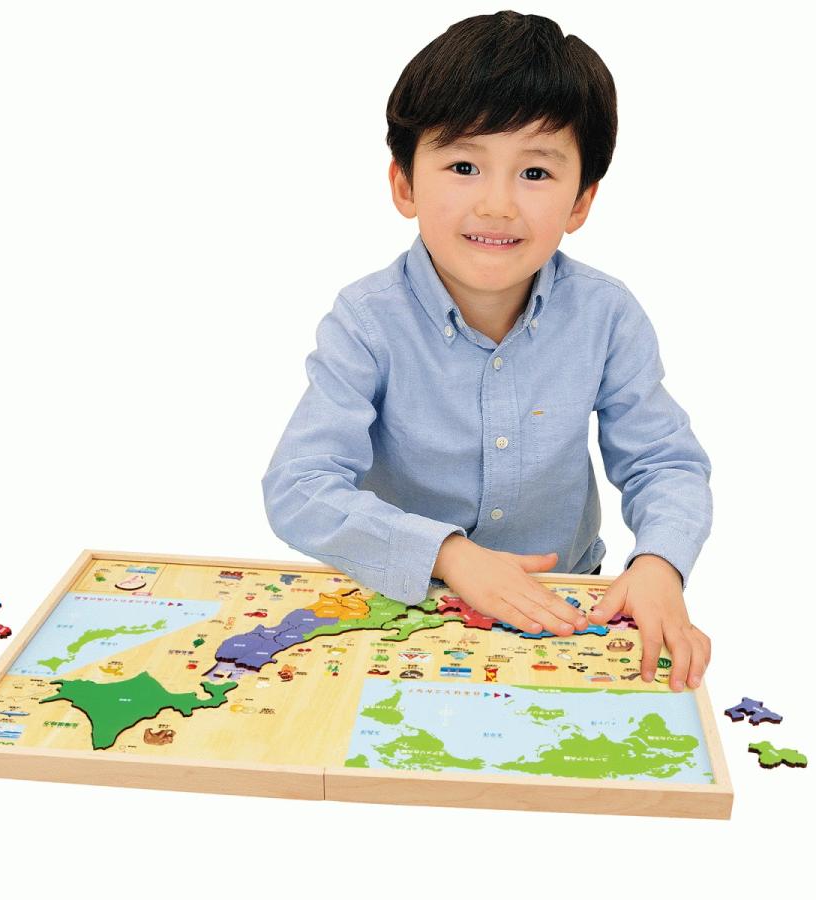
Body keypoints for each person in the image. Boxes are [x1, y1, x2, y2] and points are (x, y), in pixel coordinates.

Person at [261, 11, 712, 693]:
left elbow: (664, 462)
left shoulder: (607, 314)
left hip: (565, 602)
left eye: (535, 171)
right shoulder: (366, 319)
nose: (498, 204)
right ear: (405, 185)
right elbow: (300, 485)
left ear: (581, 201)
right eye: (464, 166)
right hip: (410, 597)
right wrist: (447, 554)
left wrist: (658, 564)